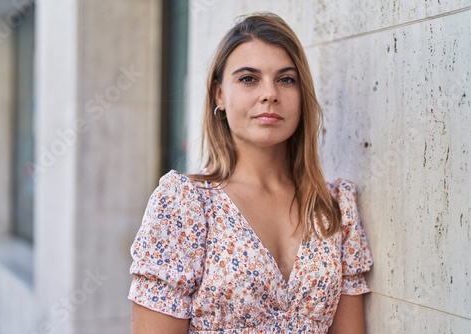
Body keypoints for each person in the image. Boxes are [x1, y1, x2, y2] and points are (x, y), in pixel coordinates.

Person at [128, 12, 373, 334]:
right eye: (248, 79)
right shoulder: (185, 205)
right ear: (219, 95)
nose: (270, 93)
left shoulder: (332, 207)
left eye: (286, 79)